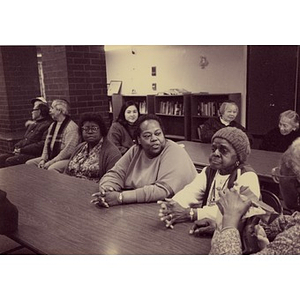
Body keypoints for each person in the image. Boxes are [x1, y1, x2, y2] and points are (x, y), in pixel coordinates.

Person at [158, 127, 260, 230]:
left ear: (239, 157)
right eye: (213, 149)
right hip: (208, 227)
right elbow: (190, 192)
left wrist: (193, 213)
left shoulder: (247, 176)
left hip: (234, 234)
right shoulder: (209, 171)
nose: (215, 153)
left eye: (223, 150)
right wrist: (174, 204)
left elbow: (232, 213)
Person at [210, 137, 300, 254]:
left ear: (297, 185)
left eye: (280, 175)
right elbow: (283, 222)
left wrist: (229, 223)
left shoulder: (293, 241)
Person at [91, 114, 197, 207]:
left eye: (158, 133)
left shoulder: (174, 151)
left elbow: (162, 191)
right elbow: (115, 173)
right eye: (147, 136)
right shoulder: (136, 150)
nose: (154, 138)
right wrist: (107, 189)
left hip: (175, 210)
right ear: (138, 140)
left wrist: (120, 197)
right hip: (142, 206)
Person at [64, 112, 121, 182]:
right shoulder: (80, 148)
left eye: (94, 128)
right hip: (71, 186)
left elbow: (111, 180)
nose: (90, 132)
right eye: (86, 129)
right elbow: (66, 172)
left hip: (94, 190)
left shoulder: (112, 152)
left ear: (101, 130)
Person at [26, 99, 80, 173]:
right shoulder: (53, 125)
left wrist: (51, 162)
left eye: (52, 108)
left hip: (66, 159)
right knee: (29, 164)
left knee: (52, 168)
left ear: (59, 111)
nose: (49, 110)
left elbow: (68, 152)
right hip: (52, 157)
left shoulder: (71, 128)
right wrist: (43, 159)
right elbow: (46, 144)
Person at [0, 98, 52, 168]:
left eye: (33, 110)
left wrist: (22, 150)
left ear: (39, 111)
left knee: (10, 161)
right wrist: (17, 146)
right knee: (1, 158)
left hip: (33, 154)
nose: (31, 112)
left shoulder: (47, 125)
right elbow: (25, 139)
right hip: (23, 151)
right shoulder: (34, 124)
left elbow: (41, 144)